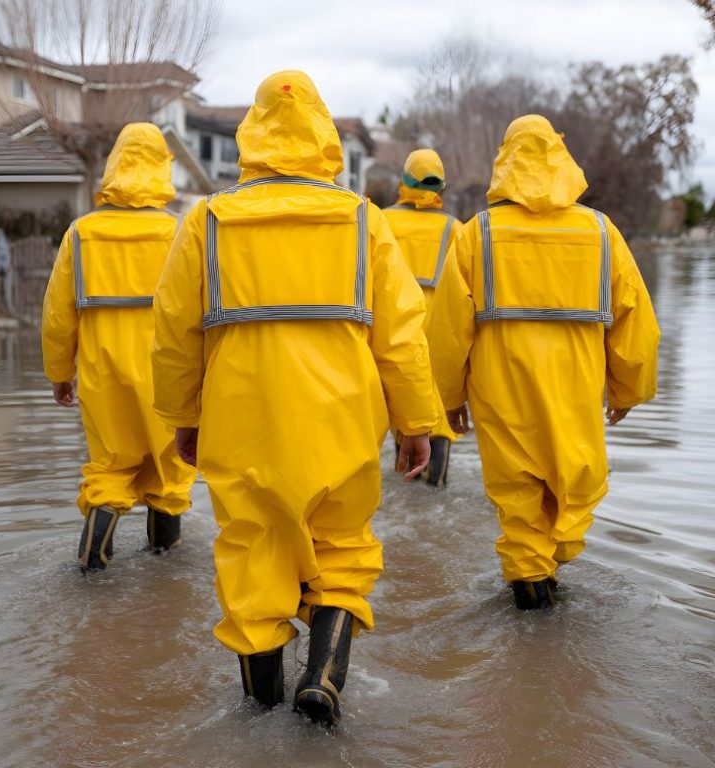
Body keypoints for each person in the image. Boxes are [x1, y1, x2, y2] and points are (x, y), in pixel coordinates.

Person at [151, 70, 438, 725]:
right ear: (324, 136)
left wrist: (184, 418)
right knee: (342, 549)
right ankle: (324, 681)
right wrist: (416, 423)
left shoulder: (207, 221)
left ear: (252, 133)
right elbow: (401, 336)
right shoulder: (362, 220)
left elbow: (173, 333)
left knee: (252, 554)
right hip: (343, 420)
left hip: (242, 422)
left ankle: (259, 710)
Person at [429, 114, 660, 610]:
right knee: (574, 483)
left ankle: (530, 583)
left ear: (504, 160)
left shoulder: (476, 235)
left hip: (501, 390)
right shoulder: (602, 233)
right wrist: (627, 390)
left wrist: (447, 400)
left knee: (518, 493)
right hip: (577, 389)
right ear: (561, 157)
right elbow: (635, 320)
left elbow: (447, 331)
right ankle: (543, 581)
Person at [42, 123, 197, 573]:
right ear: (162, 168)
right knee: (171, 469)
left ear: (114, 165)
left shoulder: (81, 233)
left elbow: (57, 314)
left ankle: (92, 564)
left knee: (110, 466)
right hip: (167, 372)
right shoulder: (180, 233)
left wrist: (58, 373)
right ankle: (165, 569)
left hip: (101, 372)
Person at [383, 149, 469, 485]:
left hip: (393, 321)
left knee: (400, 401)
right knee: (438, 411)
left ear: (402, 182)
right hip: (439, 325)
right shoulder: (456, 229)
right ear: (441, 188)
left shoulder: (379, 220)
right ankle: (436, 485)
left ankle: (404, 476)